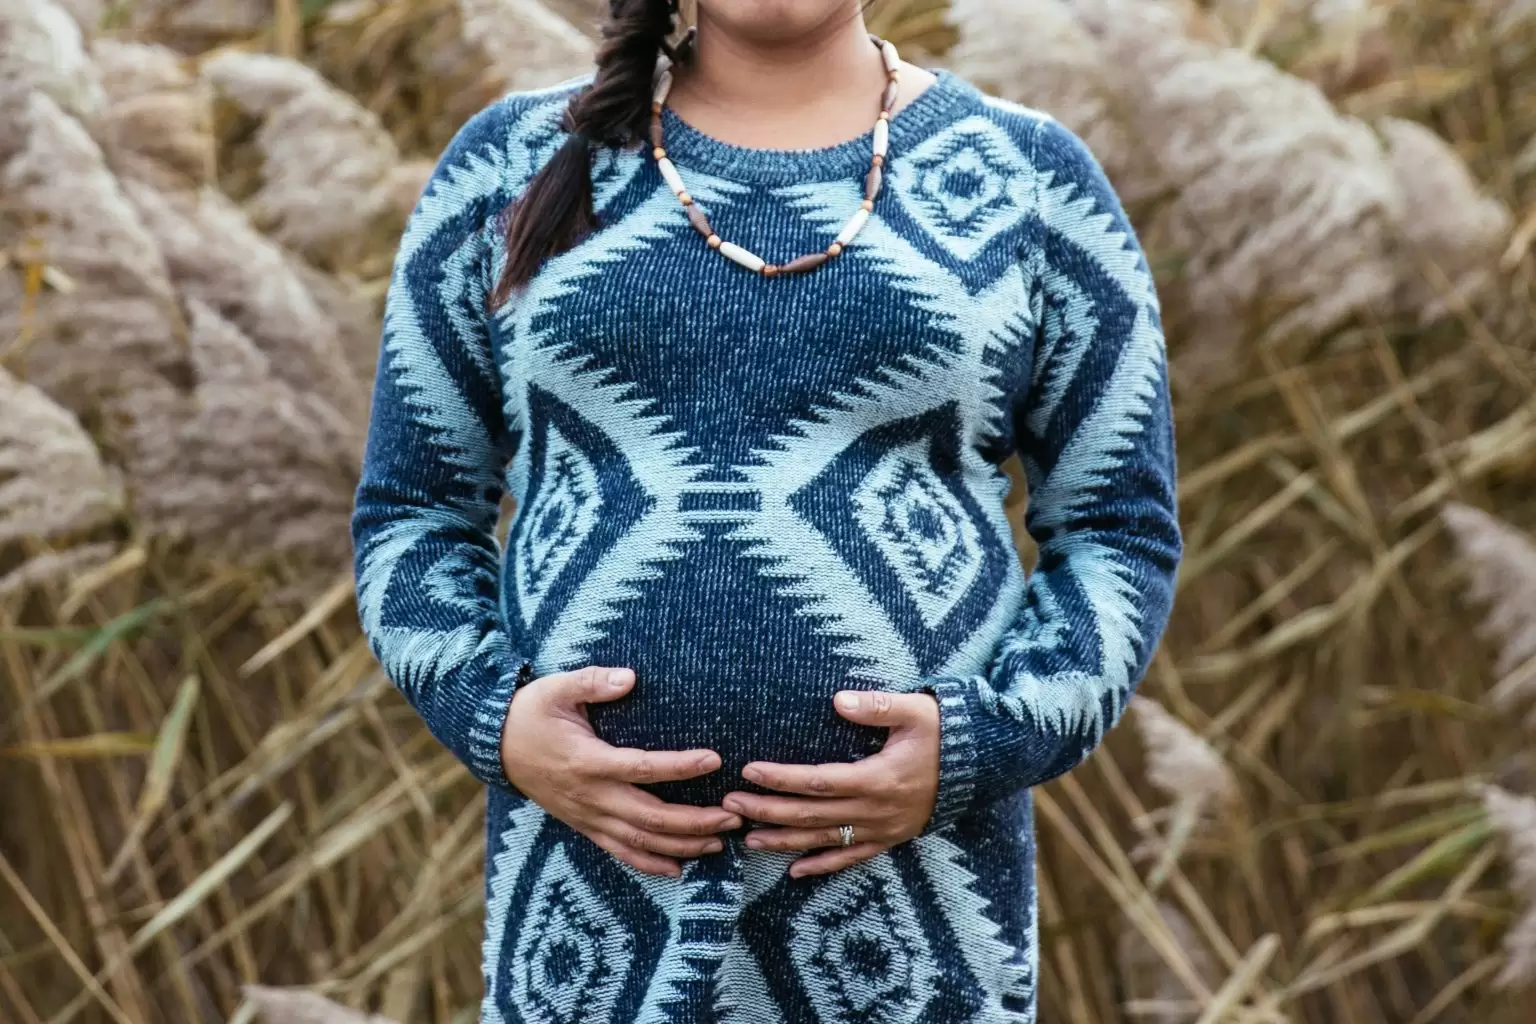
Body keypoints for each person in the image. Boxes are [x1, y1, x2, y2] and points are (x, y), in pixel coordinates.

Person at [351, 0, 1182, 1018]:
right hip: (588, 935)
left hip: (915, 937)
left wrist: (982, 741)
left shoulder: (1029, 180)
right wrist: (497, 720)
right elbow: (411, 511)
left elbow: (1118, 531)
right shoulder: (512, 165)